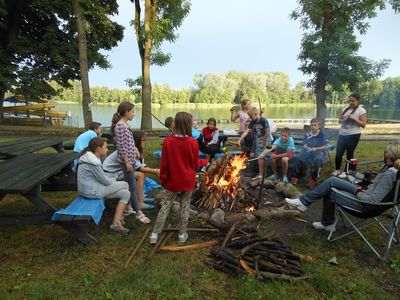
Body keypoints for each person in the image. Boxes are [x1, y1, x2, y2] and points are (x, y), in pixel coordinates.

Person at [285, 142, 400, 232]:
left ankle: (318, 215)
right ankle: (309, 207)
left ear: (388, 155)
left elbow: (372, 200)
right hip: (364, 194)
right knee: (333, 181)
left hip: (364, 205)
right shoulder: (391, 170)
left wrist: (358, 191)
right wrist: (360, 181)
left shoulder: (390, 174)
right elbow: (376, 188)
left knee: (330, 187)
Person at [150, 112, 199, 244]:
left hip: (172, 180)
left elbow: (164, 164)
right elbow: (195, 163)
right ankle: (182, 234)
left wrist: (163, 180)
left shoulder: (168, 142)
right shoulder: (193, 142)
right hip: (188, 179)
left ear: (176, 123)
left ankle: (155, 234)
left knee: (165, 206)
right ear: (188, 124)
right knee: (185, 206)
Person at [77, 137, 131, 234]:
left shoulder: (90, 158)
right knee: (125, 184)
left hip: (90, 188)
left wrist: (112, 178)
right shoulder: (92, 161)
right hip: (91, 191)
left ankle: (116, 222)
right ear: (98, 148)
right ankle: (120, 218)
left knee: (125, 193)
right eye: (105, 147)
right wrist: (115, 176)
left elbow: (101, 178)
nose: (107, 149)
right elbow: (106, 181)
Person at [111, 101, 150, 224]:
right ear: (126, 112)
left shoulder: (125, 125)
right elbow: (121, 146)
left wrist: (135, 149)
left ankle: (127, 209)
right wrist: (127, 163)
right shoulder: (120, 127)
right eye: (132, 112)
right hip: (126, 162)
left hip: (131, 160)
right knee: (131, 186)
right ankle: (138, 213)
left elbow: (129, 142)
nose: (134, 114)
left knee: (131, 185)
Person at [103, 131, 160, 210]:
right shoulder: (130, 151)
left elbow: (141, 165)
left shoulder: (137, 150)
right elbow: (139, 168)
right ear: (137, 141)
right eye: (143, 140)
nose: (145, 142)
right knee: (140, 175)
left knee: (143, 173)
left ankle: (140, 197)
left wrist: (154, 170)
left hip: (119, 171)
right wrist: (156, 171)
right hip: (111, 174)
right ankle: (140, 203)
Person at [333, 93, 367, 178]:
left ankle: (346, 171)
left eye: (353, 101)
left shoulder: (361, 110)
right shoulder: (345, 109)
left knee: (349, 154)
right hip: (342, 134)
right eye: (350, 101)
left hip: (353, 135)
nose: (351, 102)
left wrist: (354, 118)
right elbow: (339, 121)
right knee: (338, 154)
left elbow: (363, 125)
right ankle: (337, 170)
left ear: (358, 101)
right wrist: (345, 118)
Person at [238, 107, 270, 180]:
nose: (250, 118)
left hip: (266, 139)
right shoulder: (253, 121)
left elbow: (267, 132)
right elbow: (247, 131)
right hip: (258, 140)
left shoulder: (263, 121)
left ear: (255, 114)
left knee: (262, 156)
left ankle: (263, 174)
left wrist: (263, 142)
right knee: (260, 157)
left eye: (251, 116)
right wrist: (240, 139)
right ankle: (261, 175)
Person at [300, 118, 328, 187]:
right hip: (308, 151)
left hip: (318, 152)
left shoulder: (322, 134)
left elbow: (325, 146)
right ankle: (301, 174)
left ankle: (313, 178)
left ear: (319, 126)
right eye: (312, 125)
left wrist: (316, 148)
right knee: (298, 157)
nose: (313, 127)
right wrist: (306, 147)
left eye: (315, 125)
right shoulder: (307, 134)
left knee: (318, 159)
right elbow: (304, 144)